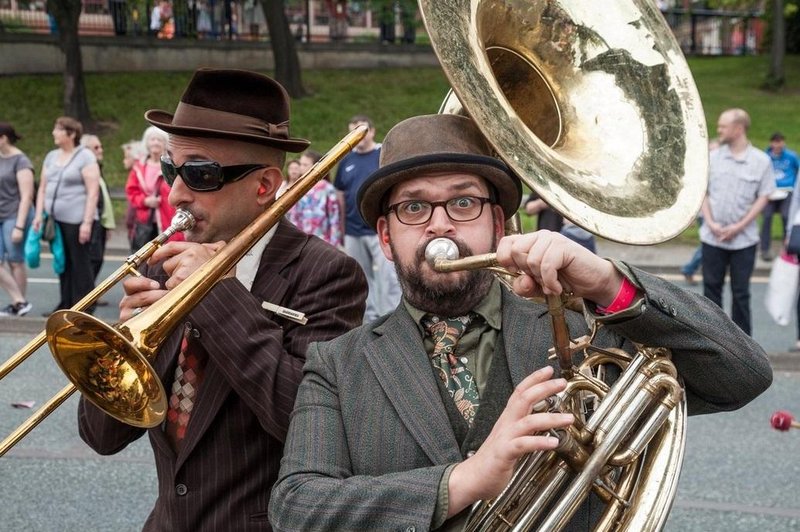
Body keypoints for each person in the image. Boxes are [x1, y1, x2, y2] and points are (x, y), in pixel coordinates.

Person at [269, 113, 773, 531]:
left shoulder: (585, 331)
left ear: (497, 223)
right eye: (414, 206)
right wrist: (463, 481)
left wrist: (604, 283)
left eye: (463, 201)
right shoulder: (338, 364)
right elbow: (296, 506)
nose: (439, 223)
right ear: (385, 235)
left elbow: (742, 375)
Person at [77, 68, 368, 531]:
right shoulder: (163, 262)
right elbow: (102, 437)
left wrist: (215, 292)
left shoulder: (326, 273)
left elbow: (307, 420)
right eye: (172, 169)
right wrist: (124, 353)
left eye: (199, 174)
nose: (174, 193)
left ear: (265, 186)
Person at [700, 108, 774, 336]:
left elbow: (764, 196)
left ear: (738, 128)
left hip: (744, 240)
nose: (719, 130)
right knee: (711, 292)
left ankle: (743, 347)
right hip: (712, 237)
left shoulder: (761, 161)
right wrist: (711, 222)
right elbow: (702, 191)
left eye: (723, 126)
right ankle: (713, 339)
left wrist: (739, 226)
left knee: (741, 293)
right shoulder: (712, 158)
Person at [334, 115, 401, 322]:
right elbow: (340, 196)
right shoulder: (346, 160)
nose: (356, 138)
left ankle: (392, 317)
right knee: (361, 277)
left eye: (360, 132)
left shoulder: (383, 155)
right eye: (352, 132)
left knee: (388, 277)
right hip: (353, 230)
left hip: (378, 229)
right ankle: (369, 319)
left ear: (371, 131)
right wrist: (342, 228)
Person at [33, 116, 100, 315]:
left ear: (71, 134)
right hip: (56, 221)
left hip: (78, 221)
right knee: (63, 263)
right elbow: (43, 188)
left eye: (58, 129)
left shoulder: (85, 156)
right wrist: (38, 215)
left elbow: (93, 191)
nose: (54, 132)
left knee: (81, 265)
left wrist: (87, 223)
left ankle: (85, 308)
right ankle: (65, 304)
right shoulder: (51, 156)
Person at [125, 126, 184, 252]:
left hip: (167, 219)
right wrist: (145, 201)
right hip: (144, 221)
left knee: (165, 258)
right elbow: (131, 191)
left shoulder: (171, 167)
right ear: (147, 143)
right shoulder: (138, 168)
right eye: (152, 139)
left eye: (159, 140)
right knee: (143, 258)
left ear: (165, 144)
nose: (155, 143)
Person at [0, 122, 34, 317]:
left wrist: (19, 227)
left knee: (15, 261)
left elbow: (26, 196)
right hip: (1, 214)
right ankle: (19, 301)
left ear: (3, 138)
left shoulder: (21, 161)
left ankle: (19, 304)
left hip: (15, 214)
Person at [285, 149, 342, 247]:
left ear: (315, 166)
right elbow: (294, 216)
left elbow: (334, 217)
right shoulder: (298, 187)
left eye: (305, 165)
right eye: (300, 164)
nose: (301, 168)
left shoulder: (326, 188)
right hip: (302, 241)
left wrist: (334, 242)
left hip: (323, 241)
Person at [80, 134, 116, 283]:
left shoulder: (97, 168)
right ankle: (87, 294)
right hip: (91, 220)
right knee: (92, 258)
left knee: (97, 258)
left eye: (100, 146)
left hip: (100, 221)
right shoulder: (85, 170)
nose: (101, 150)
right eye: (96, 147)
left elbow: (104, 199)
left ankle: (89, 291)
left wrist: (107, 224)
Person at [760, 132, 800, 261]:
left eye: (780, 142)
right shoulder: (765, 157)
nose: (777, 145)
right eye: (775, 142)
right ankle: (765, 249)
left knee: (786, 216)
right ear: (771, 143)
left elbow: (797, 169)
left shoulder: (791, 156)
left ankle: (787, 246)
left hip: (787, 191)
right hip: (770, 192)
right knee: (766, 217)